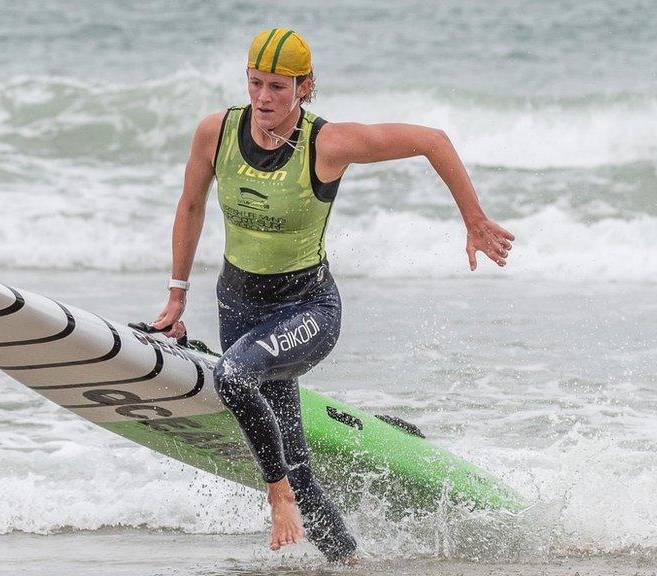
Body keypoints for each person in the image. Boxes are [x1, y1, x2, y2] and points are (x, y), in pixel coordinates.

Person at [151, 27, 515, 563]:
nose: (263, 98)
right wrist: (177, 297)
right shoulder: (217, 132)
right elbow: (190, 206)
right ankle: (347, 559)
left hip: (306, 310)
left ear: (305, 87)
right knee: (293, 458)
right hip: (237, 306)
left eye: (278, 86)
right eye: (255, 83)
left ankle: (279, 498)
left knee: (233, 376)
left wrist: (474, 219)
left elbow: (432, 140)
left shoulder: (328, 144)